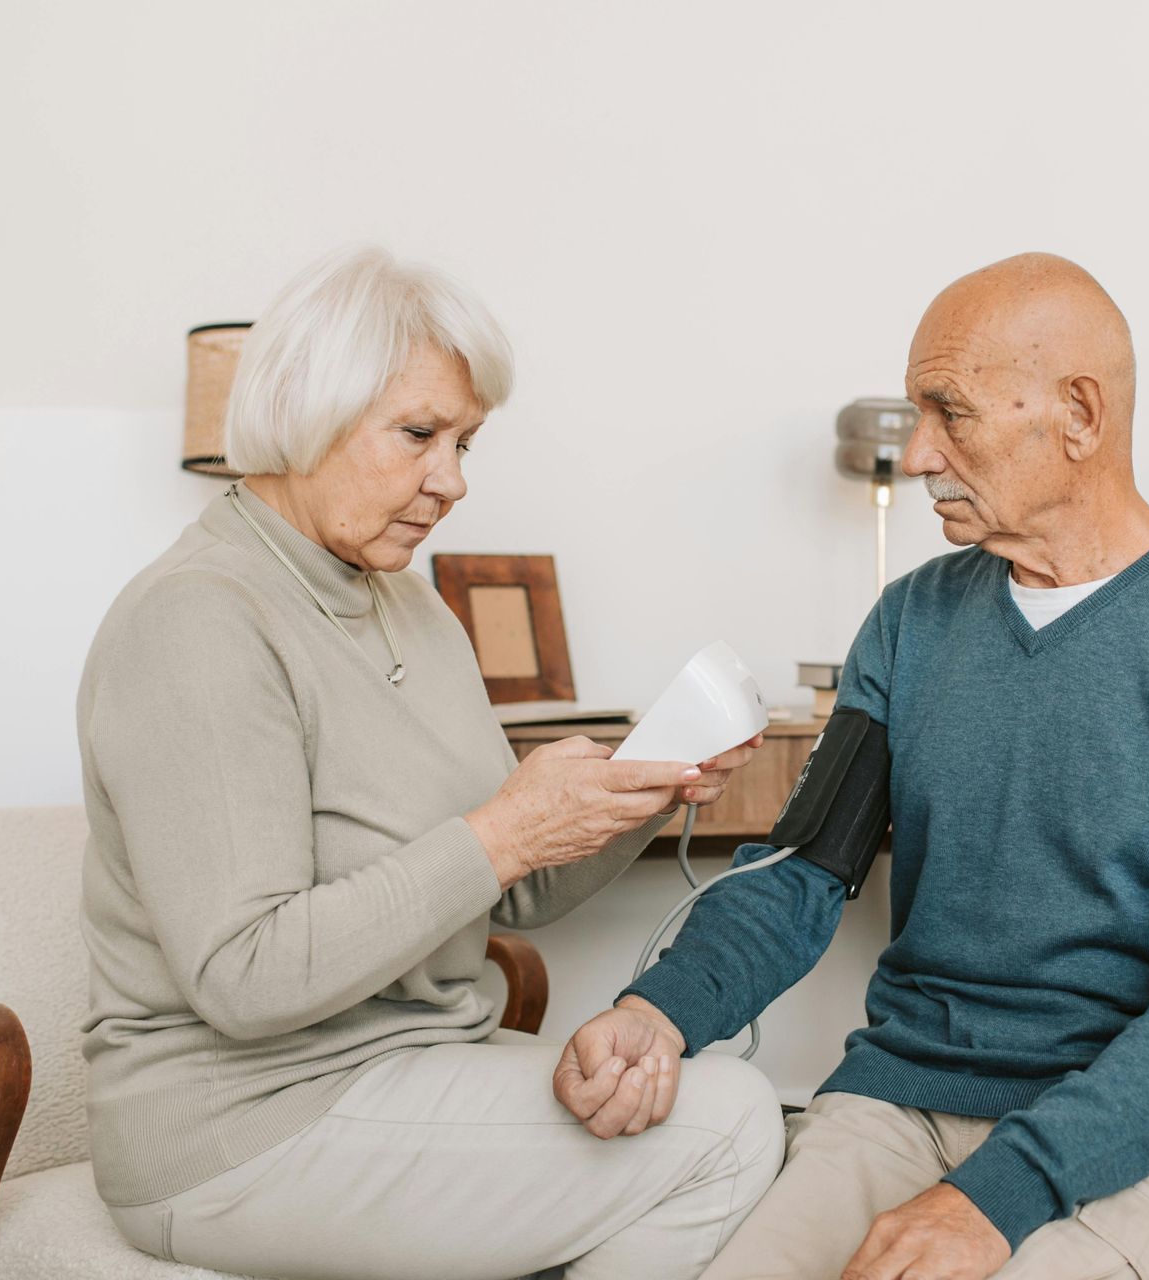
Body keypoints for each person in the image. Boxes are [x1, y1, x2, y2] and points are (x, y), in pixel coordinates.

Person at [554, 253, 1149, 1280]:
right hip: (906, 1098)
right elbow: (801, 872)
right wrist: (661, 1006)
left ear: (1080, 415)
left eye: (949, 412)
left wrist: (994, 1199)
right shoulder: (911, 622)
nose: (919, 451)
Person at [77, 244, 781, 1280]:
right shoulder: (200, 618)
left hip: (408, 1068)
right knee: (730, 1127)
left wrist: (638, 794)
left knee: (685, 1095)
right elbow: (243, 974)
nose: (450, 480)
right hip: (243, 1125)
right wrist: (501, 834)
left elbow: (516, 889)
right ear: (307, 411)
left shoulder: (408, 602)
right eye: (419, 434)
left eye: (465, 442)